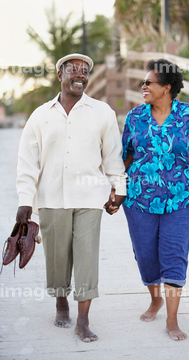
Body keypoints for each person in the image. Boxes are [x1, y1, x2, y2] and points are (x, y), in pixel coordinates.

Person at [16, 53, 126, 342]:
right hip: (51, 197)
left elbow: (113, 155)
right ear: (59, 76)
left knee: (87, 257)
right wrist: (25, 199)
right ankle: (61, 302)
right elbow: (27, 162)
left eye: (84, 71)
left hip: (90, 198)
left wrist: (119, 188)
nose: (80, 75)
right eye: (73, 70)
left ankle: (84, 320)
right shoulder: (41, 115)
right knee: (57, 257)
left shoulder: (102, 112)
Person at [121, 59, 189, 341]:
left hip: (182, 199)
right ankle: (155, 298)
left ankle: (172, 319)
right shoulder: (135, 117)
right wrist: (115, 188)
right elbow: (127, 156)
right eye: (142, 83)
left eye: (148, 83)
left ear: (166, 88)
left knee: (173, 255)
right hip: (139, 200)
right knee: (145, 256)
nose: (143, 87)